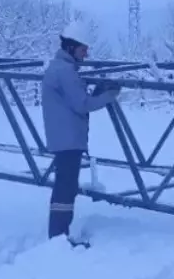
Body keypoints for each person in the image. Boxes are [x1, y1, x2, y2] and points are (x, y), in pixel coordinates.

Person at [41, 20, 121, 240]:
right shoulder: (65, 71)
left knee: (64, 187)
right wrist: (109, 95)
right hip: (68, 140)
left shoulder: (59, 68)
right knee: (65, 189)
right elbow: (82, 104)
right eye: (83, 50)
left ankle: (58, 235)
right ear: (70, 48)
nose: (86, 55)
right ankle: (58, 237)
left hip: (64, 138)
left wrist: (97, 92)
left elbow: (75, 99)